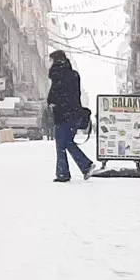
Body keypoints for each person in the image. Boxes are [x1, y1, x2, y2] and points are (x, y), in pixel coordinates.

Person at [47, 50, 96, 182]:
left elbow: (55, 94)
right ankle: (83, 166)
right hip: (74, 113)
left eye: (51, 60)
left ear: (56, 61)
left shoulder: (57, 74)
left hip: (62, 114)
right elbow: (76, 94)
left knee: (61, 144)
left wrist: (52, 103)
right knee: (67, 142)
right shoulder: (73, 75)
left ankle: (66, 172)